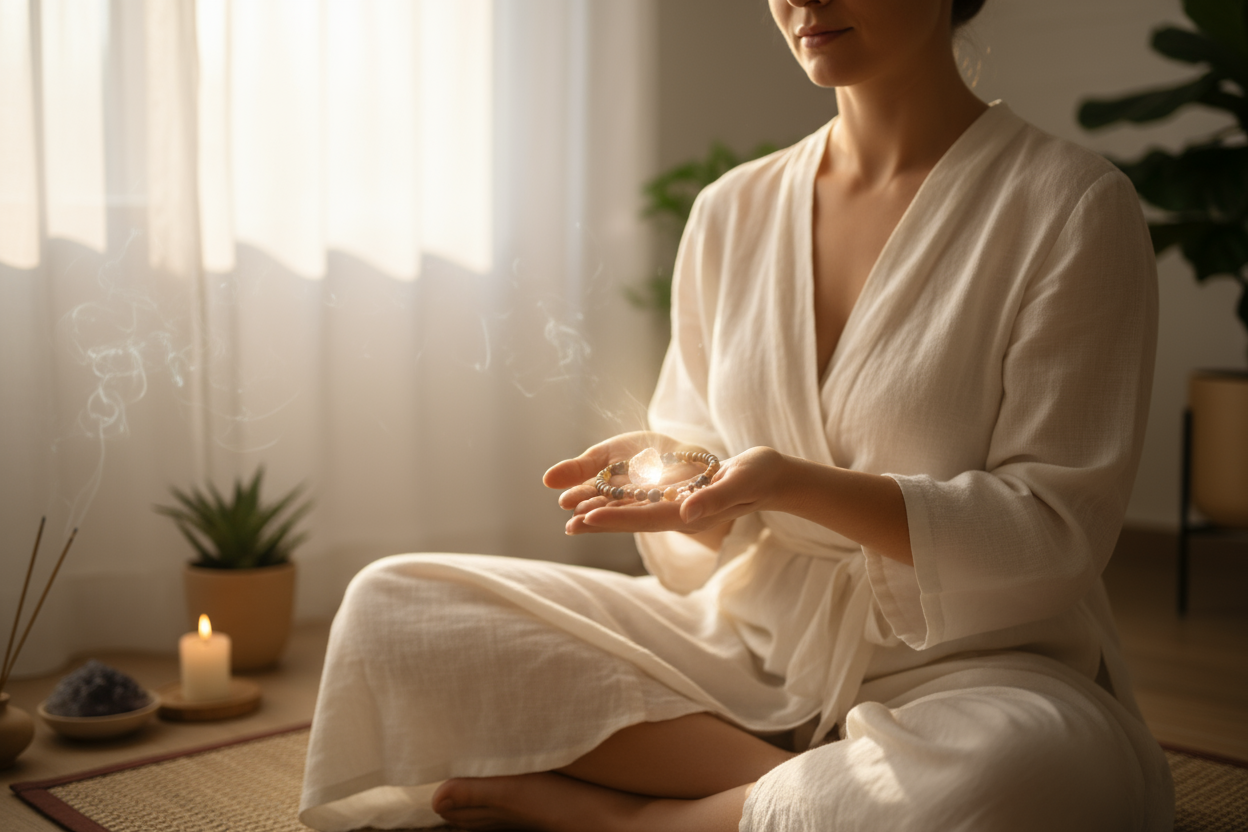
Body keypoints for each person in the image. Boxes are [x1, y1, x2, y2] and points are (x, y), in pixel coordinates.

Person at [300, 1, 1175, 829]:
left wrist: (795, 486)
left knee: (1028, 773)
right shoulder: (733, 209)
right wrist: (690, 492)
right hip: (750, 644)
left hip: (970, 670)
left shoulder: (1068, 205)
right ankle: (814, 789)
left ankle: (644, 815)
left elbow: (1054, 532)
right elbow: (699, 508)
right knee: (398, 603)